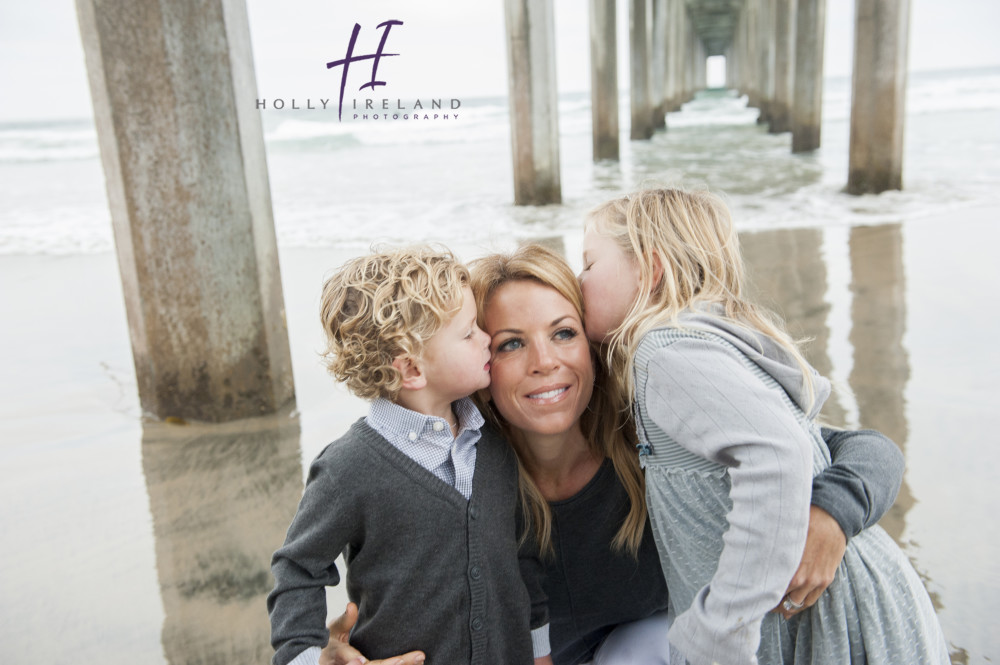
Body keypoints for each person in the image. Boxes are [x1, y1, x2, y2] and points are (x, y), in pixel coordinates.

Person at [323, 243, 909, 665]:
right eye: (509, 344)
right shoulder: (458, 476)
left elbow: (859, 448)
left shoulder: (651, 429)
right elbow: (381, 599)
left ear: (591, 342)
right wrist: (334, 648)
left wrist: (831, 514)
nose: (545, 362)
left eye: (563, 333)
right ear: (476, 362)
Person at [581, 188, 950, 664]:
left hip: (828, 620)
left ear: (651, 271)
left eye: (589, 263)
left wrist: (718, 634)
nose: (578, 279)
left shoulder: (665, 353)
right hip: (857, 602)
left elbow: (779, 456)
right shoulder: (716, 345)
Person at [267, 247, 552, 665]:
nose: (487, 338)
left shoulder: (492, 445)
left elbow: (521, 556)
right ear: (412, 369)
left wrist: (539, 651)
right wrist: (305, 658)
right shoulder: (348, 469)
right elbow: (297, 568)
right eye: (469, 331)